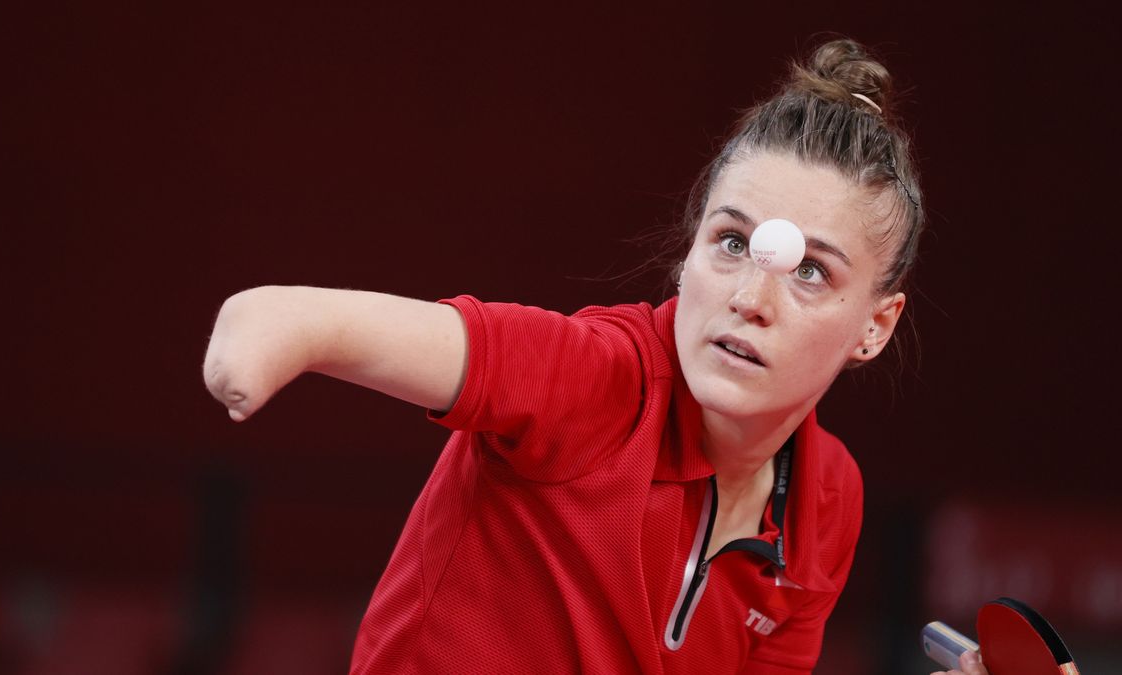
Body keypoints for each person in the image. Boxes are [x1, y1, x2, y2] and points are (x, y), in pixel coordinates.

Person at [204, 38, 980, 674]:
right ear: (688, 255)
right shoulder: (598, 377)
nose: (751, 295)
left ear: (876, 326)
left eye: (811, 272)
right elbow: (301, 318)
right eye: (731, 242)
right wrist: (265, 332)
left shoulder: (827, 499)